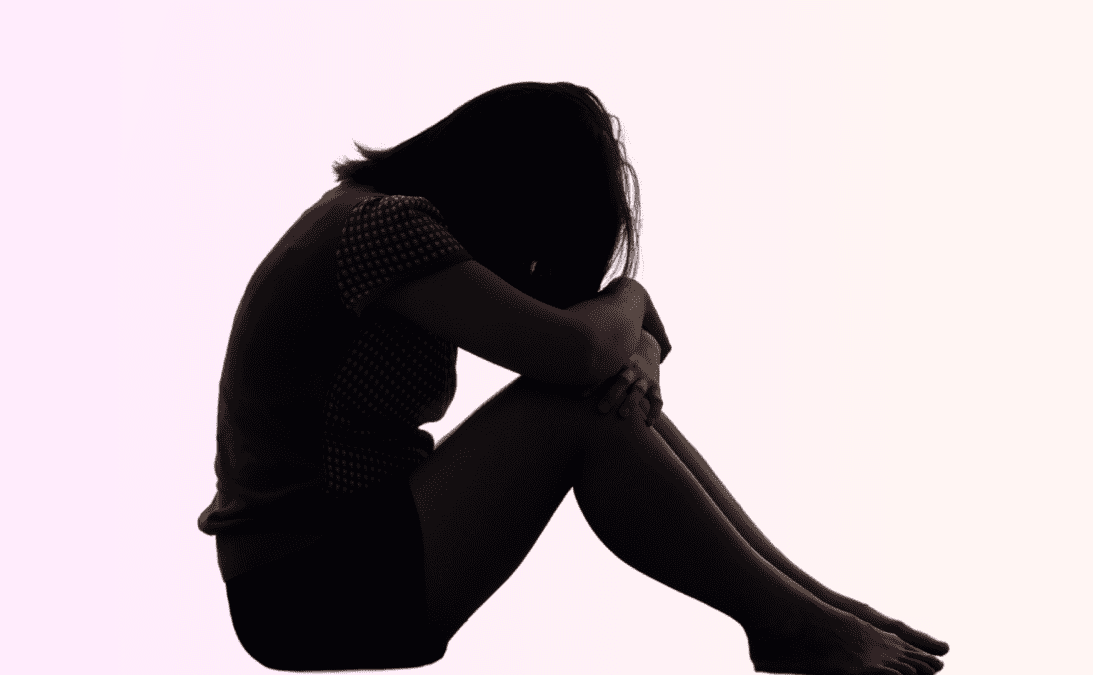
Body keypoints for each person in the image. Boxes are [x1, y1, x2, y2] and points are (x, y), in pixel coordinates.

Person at [197, 82, 949, 674]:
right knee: (572, 411)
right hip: (308, 583)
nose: (532, 270)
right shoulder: (384, 229)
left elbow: (601, 351)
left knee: (592, 400)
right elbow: (580, 352)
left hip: (339, 561)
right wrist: (633, 296)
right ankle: (789, 621)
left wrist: (641, 351)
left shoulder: (367, 218)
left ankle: (807, 606)